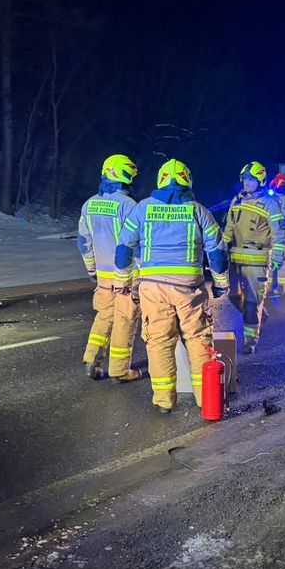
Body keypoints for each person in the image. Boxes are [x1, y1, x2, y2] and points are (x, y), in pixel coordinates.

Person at [115, 159, 229, 413]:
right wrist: (221, 285)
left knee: (158, 341)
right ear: (188, 181)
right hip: (189, 288)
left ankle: (164, 400)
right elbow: (218, 252)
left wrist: (124, 281)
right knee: (198, 339)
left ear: (160, 180)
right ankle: (205, 399)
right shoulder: (198, 210)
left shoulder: (143, 208)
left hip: (152, 288)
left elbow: (123, 249)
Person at [77, 154, 142, 382]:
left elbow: (84, 242)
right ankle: (120, 370)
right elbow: (136, 244)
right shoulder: (129, 205)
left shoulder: (89, 204)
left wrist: (91, 270)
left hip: (103, 275)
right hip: (126, 276)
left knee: (104, 315)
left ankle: (91, 358)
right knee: (125, 320)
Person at [223, 161, 285, 352]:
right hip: (235, 259)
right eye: (244, 179)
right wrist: (221, 248)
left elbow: (279, 233)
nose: (247, 183)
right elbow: (229, 228)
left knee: (251, 302)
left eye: (251, 179)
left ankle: (250, 342)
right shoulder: (237, 200)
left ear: (260, 180)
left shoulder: (270, 203)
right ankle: (260, 314)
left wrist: (277, 257)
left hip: (257, 261)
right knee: (233, 298)